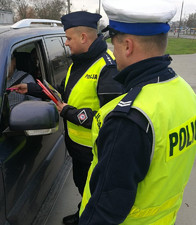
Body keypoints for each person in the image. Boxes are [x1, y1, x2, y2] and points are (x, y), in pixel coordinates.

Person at [79, 0, 196, 224]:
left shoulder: (128, 118)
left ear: (128, 46)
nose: (113, 52)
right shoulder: (184, 91)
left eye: (114, 45)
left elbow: (105, 210)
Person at [12, 11, 123, 225]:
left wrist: (68, 113)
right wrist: (32, 88)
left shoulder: (107, 68)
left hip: (95, 152)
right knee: (82, 186)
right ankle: (83, 211)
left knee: (94, 192)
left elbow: (112, 118)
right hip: (78, 148)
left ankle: (87, 218)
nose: (66, 43)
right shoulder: (77, 64)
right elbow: (61, 94)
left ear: (83, 38)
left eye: (69, 38)